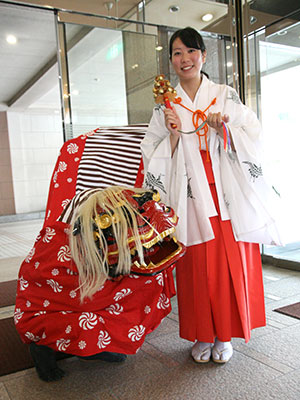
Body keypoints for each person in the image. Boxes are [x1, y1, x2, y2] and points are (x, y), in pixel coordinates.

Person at [141, 27, 284, 364]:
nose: (184, 59)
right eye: (177, 53)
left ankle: (225, 336)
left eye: (190, 51)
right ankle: (202, 334)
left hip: (225, 193)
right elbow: (150, 151)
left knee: (226, 264)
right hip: (189, 195)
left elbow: (255, 133)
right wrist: (173, 136)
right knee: (195, 267)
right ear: (172, 61)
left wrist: (227, 128)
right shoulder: (166, 105)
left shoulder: (224, 93)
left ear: (203, 56)